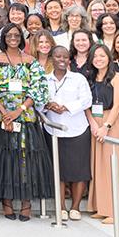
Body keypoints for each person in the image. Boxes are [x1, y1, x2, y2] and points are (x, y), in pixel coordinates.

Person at [0, 23, 53, 221]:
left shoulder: (31, 61)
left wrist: (19, 110)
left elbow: (37, 88)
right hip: (3, 118)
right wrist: (5, 113)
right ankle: (6, 203)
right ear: (4, 38)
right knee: (5, 160)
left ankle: (26, 203)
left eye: (17, 35)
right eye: (9, 35)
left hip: (25, 118)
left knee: (26, 160)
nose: (13, 38)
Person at [42, 45, 94, 221]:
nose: (62, 60)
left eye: (65, 57)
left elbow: (87, 99)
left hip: (77, 129)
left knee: (79, 170)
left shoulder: (78, 79)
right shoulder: (44, 79)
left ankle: (75, 207)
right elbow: (37, 101)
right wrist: (48, 105)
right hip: (53, 129)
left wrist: (67, 107)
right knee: (59, 169)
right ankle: (62, 206)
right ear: (52, 59)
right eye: (58, 57)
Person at [86, 44, 119, 223]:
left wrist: (106, 125)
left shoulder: (117, 77)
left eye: (102, 56)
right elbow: (85, 104)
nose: (99, 59)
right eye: (95, 56)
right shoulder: (90, 77)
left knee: (114, 165)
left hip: (110, 122)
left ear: (109, 58)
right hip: (94, 122)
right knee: (98, 165)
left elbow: (118, 104)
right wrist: (93, 124)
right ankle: (103, 207)